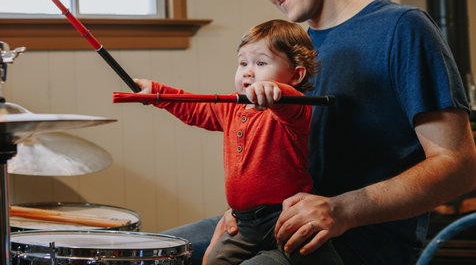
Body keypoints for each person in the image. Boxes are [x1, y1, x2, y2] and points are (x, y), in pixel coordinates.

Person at [163, 0, 476, 264]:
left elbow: (458, 167)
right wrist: (244, 212)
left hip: (355, 240)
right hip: (271, 222)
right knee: (157, 251)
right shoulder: (292, 55)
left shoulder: (403, 29)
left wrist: (341, 210)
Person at [136, 20, 340, 264]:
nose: (248, 71)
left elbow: (287, 100)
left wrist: (272, 89)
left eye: (261, 63)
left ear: (296, 74)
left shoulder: (294, 108)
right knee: (212, 261)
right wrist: (157, 92)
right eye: (243, 63)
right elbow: (194, 108)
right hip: (243, 223)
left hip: (288, 216)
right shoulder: (232, 107)